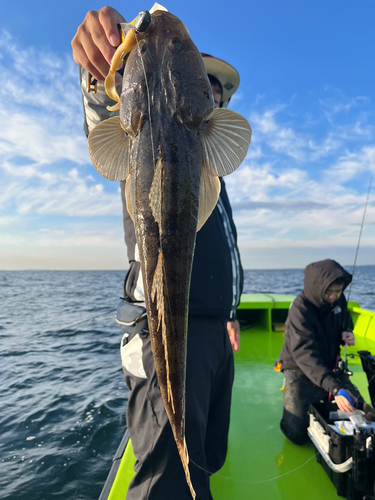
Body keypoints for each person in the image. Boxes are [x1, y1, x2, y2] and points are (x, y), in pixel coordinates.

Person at [72, 6, 244, 499]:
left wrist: (228, 311)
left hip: (215, 332)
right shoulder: (137, 131)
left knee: (207, 455)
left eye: (221, 90)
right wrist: (95, 76)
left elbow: (223, 254)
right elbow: (105, 119)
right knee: (166, 480)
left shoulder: (210, 174)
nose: (215, 91)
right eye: (208, 79)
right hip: (159, 325)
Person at [278, 258, 366, 445]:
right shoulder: (300, 309)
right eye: (329, 292)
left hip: (329, 365)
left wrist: (347, 332)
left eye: (338, 291)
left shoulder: (338, 300)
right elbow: (304, 354)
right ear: (317, 288)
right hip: (299, 369)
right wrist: (334, 388)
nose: (334, 296)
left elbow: (345, 318)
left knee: (361, 411)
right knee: (296, 433)